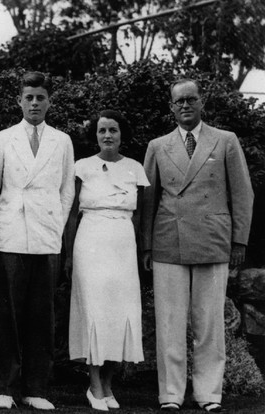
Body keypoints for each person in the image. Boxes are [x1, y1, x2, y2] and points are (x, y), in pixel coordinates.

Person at [142, 79, 254, 413]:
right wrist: (147, 246)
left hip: (212, 241)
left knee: (209, 324)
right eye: (179, 102)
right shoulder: (157, 146)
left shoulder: (225, 141)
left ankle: (208, 394)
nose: (186, 106)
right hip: (168, 242)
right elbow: (148, 200)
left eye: (191, 100)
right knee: (170, 323)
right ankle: (171, 394)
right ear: (171, 108)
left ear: (202, 103)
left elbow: (243, 193)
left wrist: (239, 240)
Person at [0, 71, 75, 410]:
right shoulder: (2, 139)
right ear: (19, 101)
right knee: (6, 315)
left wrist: (56, 226)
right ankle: (5, 389)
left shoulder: (62, 140)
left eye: (40, 97)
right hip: (9, 234)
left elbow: (67, 191)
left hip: (46, 235)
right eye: (29, 98)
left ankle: (36, 388)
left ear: (49, 101)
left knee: (41, 314)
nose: (35, 103)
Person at [65, 110, 147, 411]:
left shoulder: (135, 168)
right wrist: (69, 253)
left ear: (121, 134)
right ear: (95, 135)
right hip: (90, 242)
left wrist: (138, 252)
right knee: (95, 313)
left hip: (123, 244)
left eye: (113, 129)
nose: (108, 135)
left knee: (120, 314)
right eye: (102, 130)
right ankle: (95, 385)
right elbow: (72, 213)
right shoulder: (82, 166)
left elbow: (139, 216)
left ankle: (108, 383)